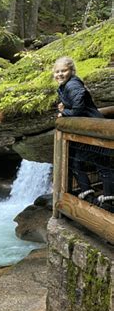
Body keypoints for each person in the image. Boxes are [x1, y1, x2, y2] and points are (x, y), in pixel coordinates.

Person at [53, 56, 111, 205]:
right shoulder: (67, 85)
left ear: (71, 71)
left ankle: (109, 199)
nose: (60, 74)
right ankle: (88, 192)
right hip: (88, 129)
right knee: (77, 161)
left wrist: (64, 113)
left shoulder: (73, 85)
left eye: (64, 70)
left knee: (102, 164)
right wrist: (65, 107)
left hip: (94, 129)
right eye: (57, 71)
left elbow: (79, 108)